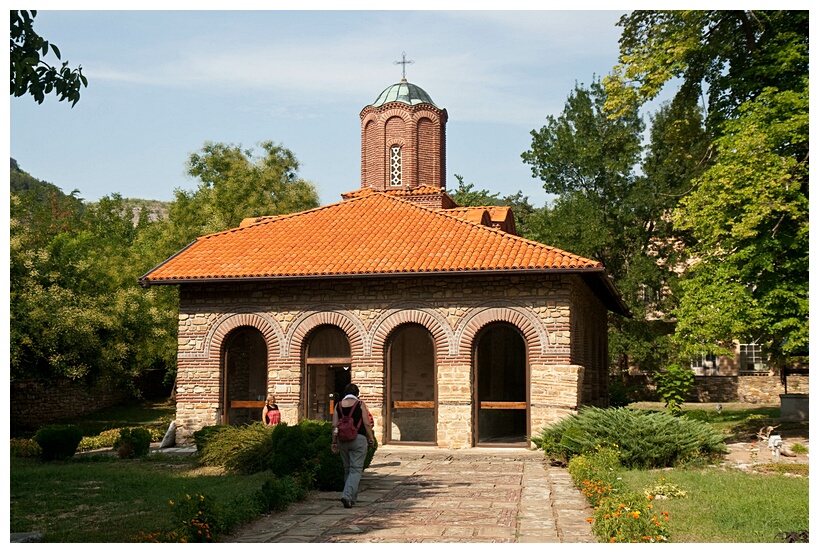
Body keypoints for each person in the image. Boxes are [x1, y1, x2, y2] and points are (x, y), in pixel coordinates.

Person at [331, 383, 375, 508]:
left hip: (342, 439)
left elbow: (334, 425)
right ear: (357, 393)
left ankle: (351, 499)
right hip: (358, 439)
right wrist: (370, 438)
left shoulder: (338, 405)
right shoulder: (360, 404)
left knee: (348, 469)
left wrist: (334, 441)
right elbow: (366, 423)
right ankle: (347, 496)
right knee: (356, 470)